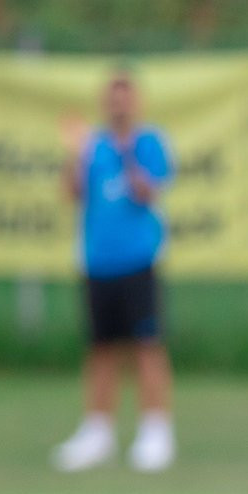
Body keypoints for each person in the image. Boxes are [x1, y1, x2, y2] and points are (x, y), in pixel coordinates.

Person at [51, 72, 176, 473]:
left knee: (146, 345)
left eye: (126, 99)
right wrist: (73, 154)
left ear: (136, 103)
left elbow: (148, 192)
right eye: (113, 99)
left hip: (138, 259)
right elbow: (72, 194)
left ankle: (155, 431)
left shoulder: (148, 143)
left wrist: (126, 154)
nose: (119, 106)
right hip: (97, 260)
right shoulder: (92, 147)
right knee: (101, 348)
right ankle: (97, 432)